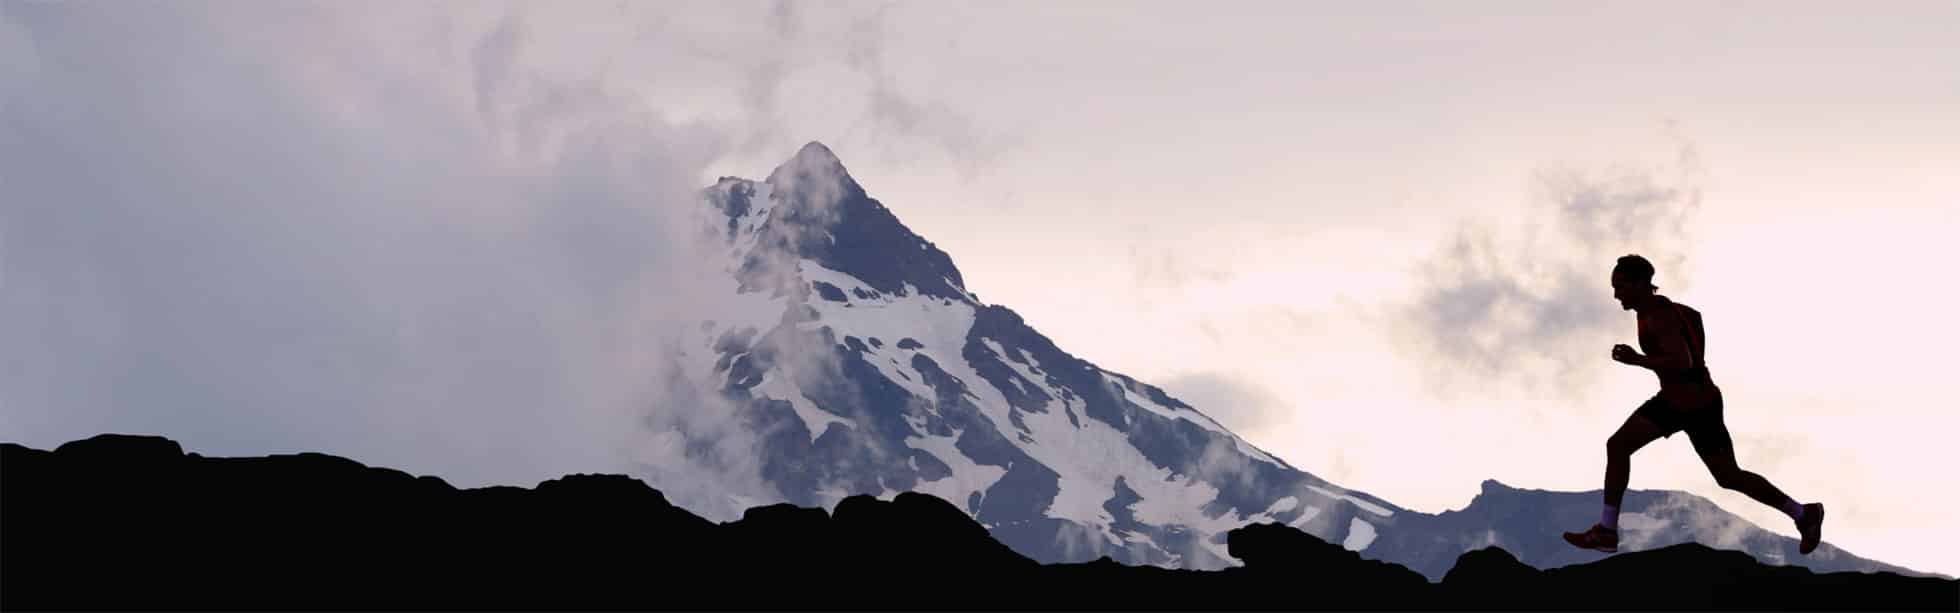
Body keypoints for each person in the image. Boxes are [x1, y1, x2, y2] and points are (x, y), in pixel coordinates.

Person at [1562, 255, 1824, 555]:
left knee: (1621, 446)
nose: (1615, 293)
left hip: (1686, 404)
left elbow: (1681, 361)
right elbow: (1695, 321)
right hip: (1694, 400)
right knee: (1726, 475)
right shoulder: (1670, 310)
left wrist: (1639, 360)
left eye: (1620, 286)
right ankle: (1804, 514)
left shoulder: (1658, 316)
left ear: (1640, 284)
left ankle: (1608, 532)